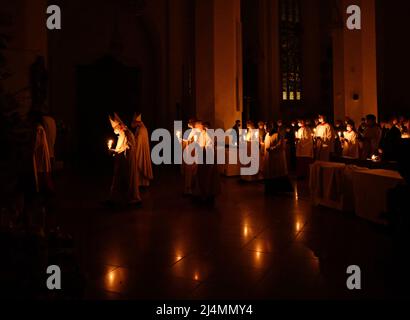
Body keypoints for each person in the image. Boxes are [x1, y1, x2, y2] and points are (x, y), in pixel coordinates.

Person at [108, 113, 141, 206]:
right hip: (121, 162)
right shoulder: (122, 134)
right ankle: (115, 198)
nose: (115, 130)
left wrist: (116, 152)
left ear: (120, 126)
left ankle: (127, 199)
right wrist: (113, 150)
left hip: (127, 163)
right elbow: (121, 148)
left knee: (126, 181)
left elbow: (128, 149)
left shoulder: (127, 134)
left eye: (116, 128)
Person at [192, 121, 220, 203]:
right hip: (203, 158)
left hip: (207, 159)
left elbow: (209, 146)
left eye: (198, 127)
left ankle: (208, 194)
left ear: (202, 126)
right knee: (203, 177)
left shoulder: (208, 134)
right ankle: (203, 193)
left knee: (208, 177)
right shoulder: (202, 134)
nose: (197, 129)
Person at [263, 124, 292, 195]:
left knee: (277, 173)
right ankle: (270, 189)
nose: (266, 129)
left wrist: (272, 149)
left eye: (267, 128)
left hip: (277, 157)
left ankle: (279, 189)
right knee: (270, 173)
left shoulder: (277, 135)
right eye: (265, 128)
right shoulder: (267, 135)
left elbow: (280, 145)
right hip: (269, 157)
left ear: (271, 127)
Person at [131, 113, 153, 188]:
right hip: (140, 149)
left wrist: (132, 144)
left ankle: (142, 182)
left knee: (139, 163)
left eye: (134, 122)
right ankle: (140, 182)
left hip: (140, 150)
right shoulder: (140, 128)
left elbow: (138, 142)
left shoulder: (142, 129)